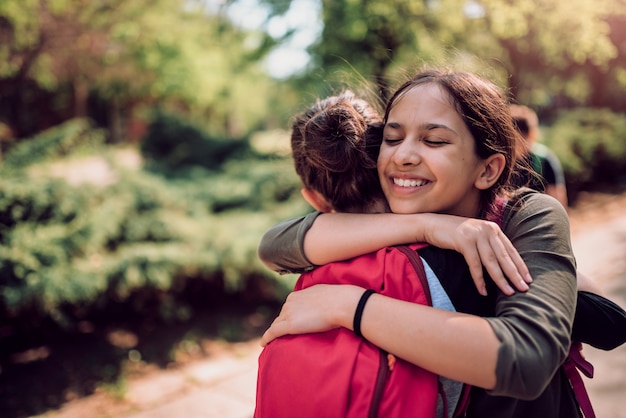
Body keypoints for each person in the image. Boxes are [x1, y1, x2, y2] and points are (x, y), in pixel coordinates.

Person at [259, 69, 584, 417]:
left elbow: (526, 360)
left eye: (434, 141)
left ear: (488, 170)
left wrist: (348, 305)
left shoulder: (526, 215)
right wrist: (427, 226)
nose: (404, 156)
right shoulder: (396, 220)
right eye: (393, 138)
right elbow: (274, 245)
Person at [509, 104, 569, 209]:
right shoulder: (545, 158)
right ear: (532, 133)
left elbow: (557, 198)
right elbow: (558, 201)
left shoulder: (544, 159)